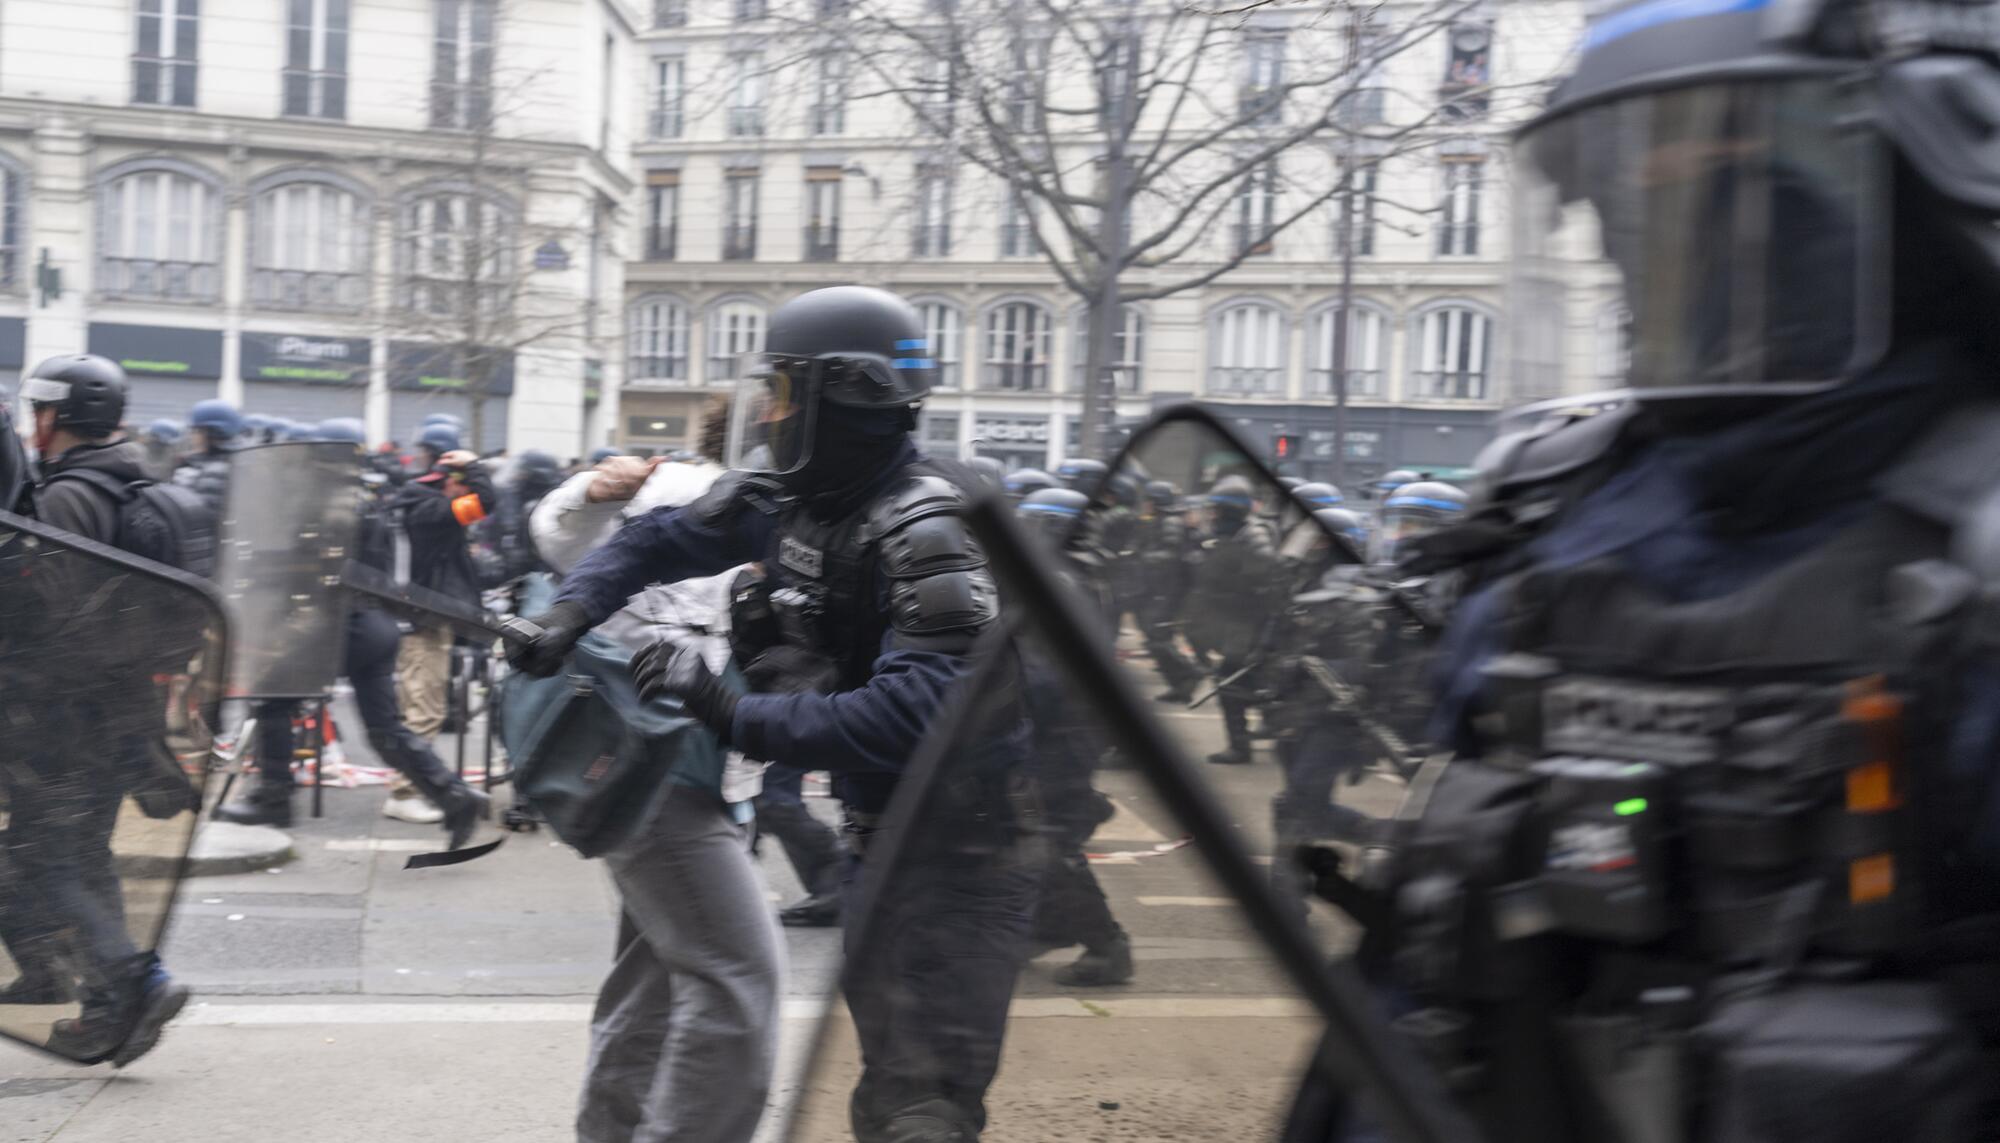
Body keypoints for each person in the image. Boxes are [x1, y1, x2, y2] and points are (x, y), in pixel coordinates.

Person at [1341, 1, 2000, 1137]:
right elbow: (1427, 959)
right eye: (1624, 202)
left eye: (1740, 189)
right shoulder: (1547, 521)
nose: (1657, 249)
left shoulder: (1975, 548)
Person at [510, 286, 1019, 1143]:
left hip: (958, 853)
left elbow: (914, 712)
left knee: (918, 1107)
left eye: (783, 391)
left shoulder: (926, 526)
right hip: (878, 835)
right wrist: (570, 614)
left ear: (843, 394)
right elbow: (656, 538)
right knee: (882, 1093)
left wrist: (725, 709)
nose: (768, 412)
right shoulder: (804, 492)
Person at [528, 431, 782, 1143]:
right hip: (658, 774)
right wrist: (592, 490)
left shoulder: (779, 509)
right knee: (737, 980)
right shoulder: (682, 493)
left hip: (714, 776)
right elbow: (564, 538)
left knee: (656, 984)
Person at [7, 354, 196, 1064]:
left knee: (46, 858)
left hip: (64, 712)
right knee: (81, 854)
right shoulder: (135, 480)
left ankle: (133, 978)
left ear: (52, 416)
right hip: (118, 709)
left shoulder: (66, 499)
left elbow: (46, 614)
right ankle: (107, 1002)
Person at [212, 419, 491, 844]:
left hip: (339, 626)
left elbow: (299, 568)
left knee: (273, 696)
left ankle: (273, 798)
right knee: (384, 729)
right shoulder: (367, 497)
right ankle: (452, 795)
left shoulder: (320, 501)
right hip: (374, 627)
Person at [1014, 486, 1135, 986]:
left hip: (1062, 727)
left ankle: (1107, 945)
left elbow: (1040, 670)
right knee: (1036, 829)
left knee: (1049, 836)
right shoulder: (1084, 571)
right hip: (1075, 722)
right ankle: (1045, 927)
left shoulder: (1059, 578)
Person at [385, 427, 495, 823]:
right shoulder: (429, 508)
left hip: (425, 619)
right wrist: (474, 467)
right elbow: (485, 502)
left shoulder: (420, 502)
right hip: (422, 623)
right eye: (460, 481)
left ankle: (417, 785)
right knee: (423, 707)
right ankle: (404, 792)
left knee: (420, 706)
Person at [1182, 474, 1285, 766]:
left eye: (1216, 510)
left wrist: (1265, 638)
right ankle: (1262, 736)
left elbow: (1269, 591)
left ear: (1231, 511)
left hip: (1254, 627)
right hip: (1242, 626)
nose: (1211, 516)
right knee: (1245, 685)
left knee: (1234, 684)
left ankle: (1243, 747)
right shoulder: (1235, 535)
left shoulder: (1255, 540)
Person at [1135, 479, 1204, 703]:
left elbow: (1170, 555)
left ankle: (1189, 671)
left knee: (1157, 636)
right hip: (1165, 587)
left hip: (1171, 589)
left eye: (1149, 501)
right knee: (1155, 636)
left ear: (1156, 502)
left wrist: (1142, 559)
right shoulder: (1162, 520)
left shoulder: (1170, 522)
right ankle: (1180, 687)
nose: (1145, 505)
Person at [175, 397, 242, 514]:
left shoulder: (211, 472)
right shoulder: (240, 462)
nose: (192, 436)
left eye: (195, 431)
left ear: (211, 432)